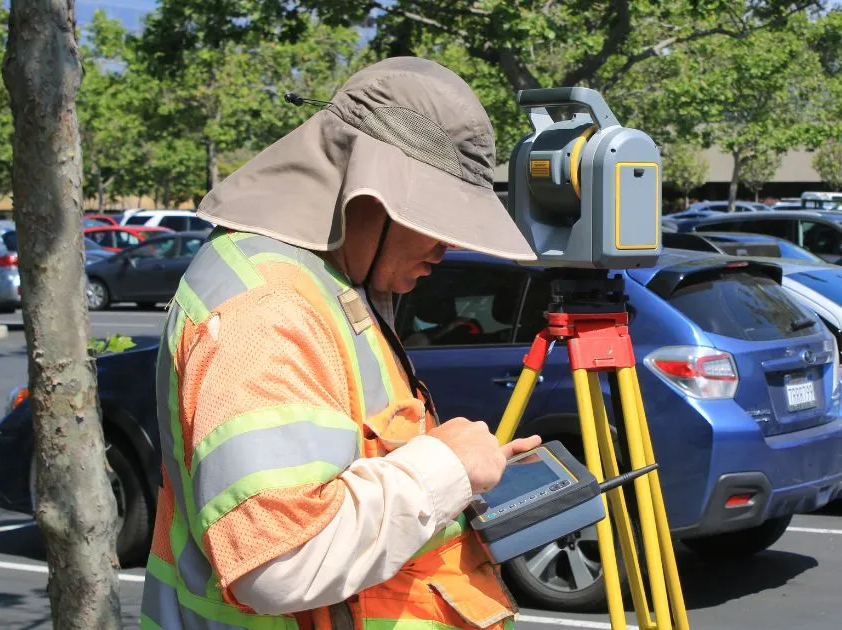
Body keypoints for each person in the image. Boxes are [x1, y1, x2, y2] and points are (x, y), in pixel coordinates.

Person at [140, 57, 542, 630]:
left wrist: (465, 475)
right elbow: (278, 561)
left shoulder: (323, 283)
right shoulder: (271, 307)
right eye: (435, 216)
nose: (448, 247)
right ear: (368, 196)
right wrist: (446, 466)